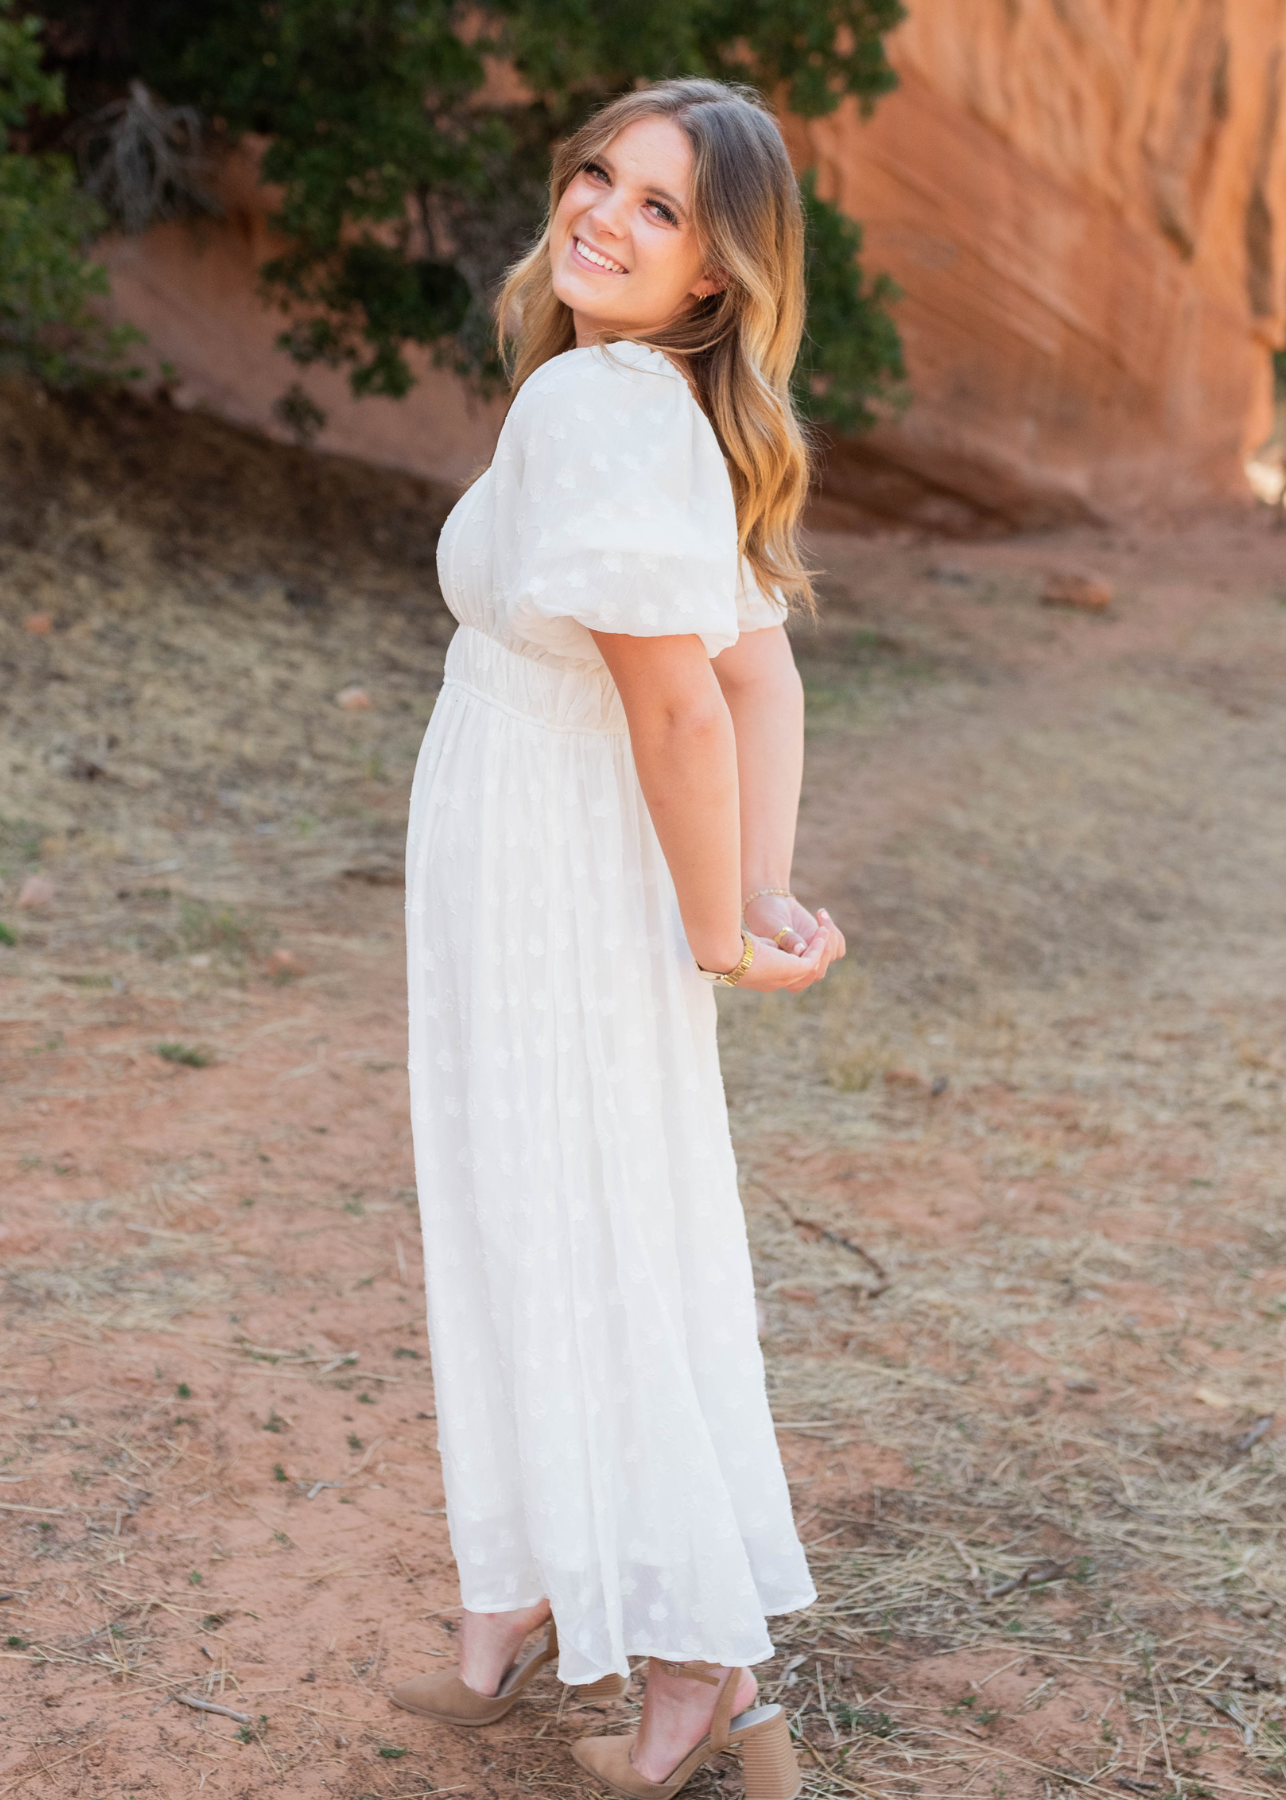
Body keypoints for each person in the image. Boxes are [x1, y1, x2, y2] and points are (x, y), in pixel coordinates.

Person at [393, 75, 846, 1800]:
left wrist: (726, 920)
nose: (600, 214)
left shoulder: (599, 403)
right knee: (578, 1216)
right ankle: (533, 1588)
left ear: (716, 276)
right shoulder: (646, 401)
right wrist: (750, 888)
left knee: (557, 1226)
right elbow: (758, 667)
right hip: (555, 854)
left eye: (659, 209)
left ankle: (696, 1667)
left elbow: (685, 704)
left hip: (548, 863)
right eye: (599, 176)